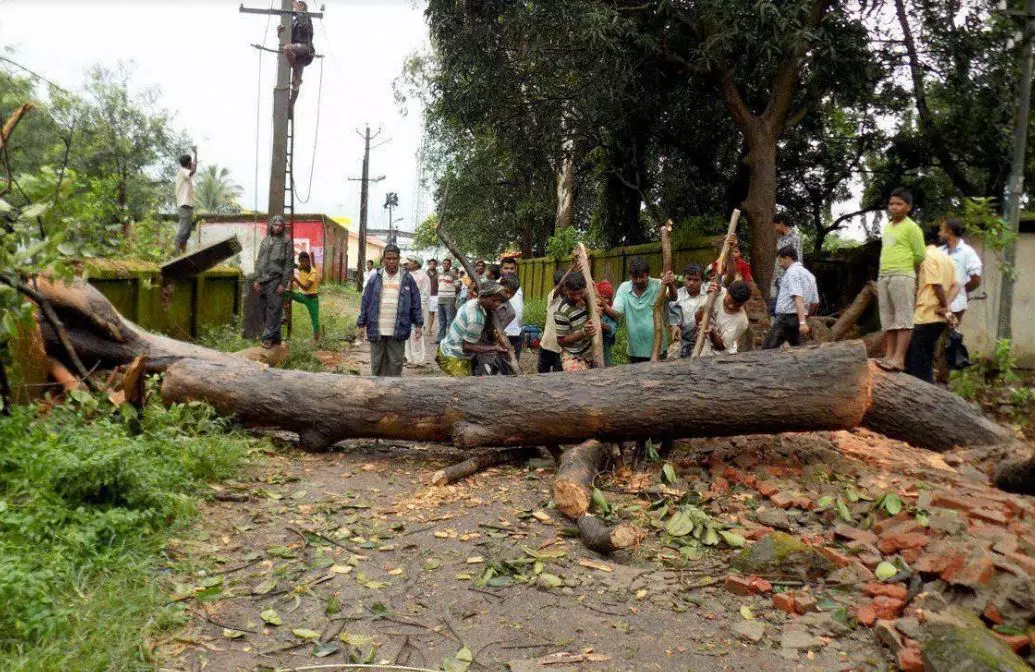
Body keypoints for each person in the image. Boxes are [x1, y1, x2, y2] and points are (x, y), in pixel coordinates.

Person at [877, 188, 926, 372]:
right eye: (891, 204)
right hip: (884, 275)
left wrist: (907, 269)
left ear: (908, 207)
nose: (894, 207)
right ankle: (889, 355)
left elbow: (920, 254)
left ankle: (899, 359)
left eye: (899, 204)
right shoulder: (888, 227)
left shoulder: (912, 227)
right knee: (888, 317)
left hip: (903, 275)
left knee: (903, 318)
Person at [356, 244, 423, 377]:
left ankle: (393, 395)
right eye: (388, 258)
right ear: (383, 259)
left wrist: (419, 325)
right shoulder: (375, 278)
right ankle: (377, 394)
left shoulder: (407, 279)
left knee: (396, 364)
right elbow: (366, 301)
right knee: (377, 364)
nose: (391, 261)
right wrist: (361, 324)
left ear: (399, 259)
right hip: (377, 328)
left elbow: (416, 302)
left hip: (398, 329)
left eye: (394, 258)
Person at [906, 231, 959, 383]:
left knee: (919, 362)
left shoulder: (928, 257)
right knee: (926, 358)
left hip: (926, 314)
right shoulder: (947, 259)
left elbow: (936, 284)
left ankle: (922, 398)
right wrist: (947, 307)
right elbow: (956, 285)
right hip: (939, 318)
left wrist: (944, 305)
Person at [601, 257, 676, 363]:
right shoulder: (624, 288)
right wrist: (602, 303)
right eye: (634, 277)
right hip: (635, 349)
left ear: (648, 274)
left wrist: (671, 284)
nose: (638, 280)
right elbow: (616, 313)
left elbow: (673, 297)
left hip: (658, 346)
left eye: (642, 277)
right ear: (630, 275)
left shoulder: (658, 284)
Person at [436, 281, 510, 376]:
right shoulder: (476, 319)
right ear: (483, 297)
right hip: (452, 355)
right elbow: (467, 347)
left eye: (499, 301)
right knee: (464, 387)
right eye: (494, 300)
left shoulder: (473, 302)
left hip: (447, 349)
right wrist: (495, 347)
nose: (497, 304)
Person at [763, 246, 819, 350]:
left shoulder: (792, 272)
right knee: (797, 349)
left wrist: (802, 322)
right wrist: (804, 317)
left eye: (780, 260)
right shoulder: (810, 276)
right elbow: (815, 302)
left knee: (767, 349)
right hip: (797, 319)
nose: (780, 264)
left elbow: (798, 297)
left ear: (788, 258)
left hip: (786, 319)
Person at [252, 216, 294, 349]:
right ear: (271, 226)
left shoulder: (287, 241)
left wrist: (283, 283)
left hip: (276, 279)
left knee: (274, 310)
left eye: (280, 226)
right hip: (263, 279)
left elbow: (289, 264)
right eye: (275, 225)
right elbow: (259, 260)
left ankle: (268, 339)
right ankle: (276, 339)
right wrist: (257, 279)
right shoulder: (265, 240)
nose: (278, 228)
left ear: (283, 228)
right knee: (264, 309)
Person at [937, 217, 983, 323]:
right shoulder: (939, 251)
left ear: (949, 232)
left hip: (956, 304)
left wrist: (961, 290)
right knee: (936, 336)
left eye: (941, 230)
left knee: (949, 334)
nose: (939, 234)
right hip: (938, 301)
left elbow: (976, 279)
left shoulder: (967, 252)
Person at [278, 0, 315, 116]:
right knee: (295, 83)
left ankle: (297, 75)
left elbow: (299, 11)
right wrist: (281, 32)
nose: (296, 8)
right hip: (300, 56)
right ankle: (291, 106)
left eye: (299, 6)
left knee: (287, 49)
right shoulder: (293, 22)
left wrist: (293, 2)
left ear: (302, 7)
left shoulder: (304, 16)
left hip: (305, 48)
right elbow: (288, 36)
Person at [554, 274, 598, 371]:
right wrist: (583, 332)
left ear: (585, 289)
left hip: (590, 352)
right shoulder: (562, 311)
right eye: (573, 294)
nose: (577, 297)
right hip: (573, 355)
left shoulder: (588, 299)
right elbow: (561, 341)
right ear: (566, 290)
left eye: (580, 293)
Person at [697, 280, 752, 357]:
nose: (731, 306)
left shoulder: (742, 321)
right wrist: (708, 298)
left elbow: (721, 346)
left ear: (743, 303)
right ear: (727, 292)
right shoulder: (718, 293)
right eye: (730, 301)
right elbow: (697, 317)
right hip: (704, 352)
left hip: (723, 358)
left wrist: (711, 331)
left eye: (737, 305)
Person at [669, 263, 708, 358]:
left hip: (707, 340)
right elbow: (674, 318)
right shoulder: (677, 295)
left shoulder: (709, 293)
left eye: (696, 280)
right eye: (689, 279)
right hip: (685, 340)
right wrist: (675, 327)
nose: (691, 283)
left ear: (702, 281)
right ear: (684, 279)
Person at [771, 213, 803, 314]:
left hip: (788, 278)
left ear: (781, 223)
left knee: (782, 308)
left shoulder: (794, 238)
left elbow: (796, 259)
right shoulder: (780, 239)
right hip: (778, 278)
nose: (774, 228)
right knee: (774, 307)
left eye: (775, 225)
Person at [538, 269, 567, 373]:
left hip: (561, 348)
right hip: (547, 345)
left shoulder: (570, 300)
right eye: (562, 286)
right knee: (542, 375)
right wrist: (571, 269)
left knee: (558, 377)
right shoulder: (552, 296)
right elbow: (559, 288)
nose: (564, 288)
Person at [404, 255, 431, 365]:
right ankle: (409, 358)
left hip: (417, 309)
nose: (408, 263)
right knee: (407, 333)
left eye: (410, 261)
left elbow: (424, 295)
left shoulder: (423, 277)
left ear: (416, 263)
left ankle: (418, 360)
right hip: (407, 308)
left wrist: (420, 311)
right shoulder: (408, 275)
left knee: (416, 334)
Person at [291, 250, 321, 342]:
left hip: (312, 299)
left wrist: (295, 280)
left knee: (315, 320)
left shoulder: (313, 273)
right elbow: (294, 265)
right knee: (284, 293)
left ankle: (316, 341)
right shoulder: (301, 267)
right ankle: (285, 316)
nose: (303, 264)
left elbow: (306, 288)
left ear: (309, 261)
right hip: (301, 296)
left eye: (305, 261)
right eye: (301, 262)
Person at [174, 146, 198, 253]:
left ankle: (182, 252)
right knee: (183, 230)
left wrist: (194, 159)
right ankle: (176, 252)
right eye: (191, 163)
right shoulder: (182, 171)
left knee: (187, 231)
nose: (192, 164)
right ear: (188, 164)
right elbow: (193, 171)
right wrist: (195, 155)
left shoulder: (185, 173)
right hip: (184, 205)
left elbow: (192, 172)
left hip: (188, 205)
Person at [500, 257, 525, 358]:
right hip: (503, 332)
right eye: (506, 268)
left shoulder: (518, 286)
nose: (509, 271)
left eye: (512, 268)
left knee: (514, 363)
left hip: (517, 332)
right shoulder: (497, 286)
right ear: (501, 269)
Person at [596, 280, 618, 367]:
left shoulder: (611, 313)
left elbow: (611, 329)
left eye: (608, 298)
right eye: (603, 297)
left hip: (604, 350)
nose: (606, 300)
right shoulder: (590, 308)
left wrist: (600, 324)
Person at [436, 258, 458, 342]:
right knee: (441, 320)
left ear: (450, 265)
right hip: (440, 299)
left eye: (447, 264)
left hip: (449, 300)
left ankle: (450, 339)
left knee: (450, 320)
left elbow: (458, 286)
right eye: (444, 263)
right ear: (442, 264)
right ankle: (440, 338)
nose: (446, 265)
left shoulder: (453, 275)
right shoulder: (440, 275)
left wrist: (452, 296)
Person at [426, 258, 439, 336]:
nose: (432, 265)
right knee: (423, 313)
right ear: (428, 264)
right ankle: (423, 327)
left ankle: (429, 329)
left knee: (431, 313)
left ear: (436, 265)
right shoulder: (425, 273)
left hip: (434, 295)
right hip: (425, 295)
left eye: (434, 264)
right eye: (431, 264)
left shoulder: (439, 274)